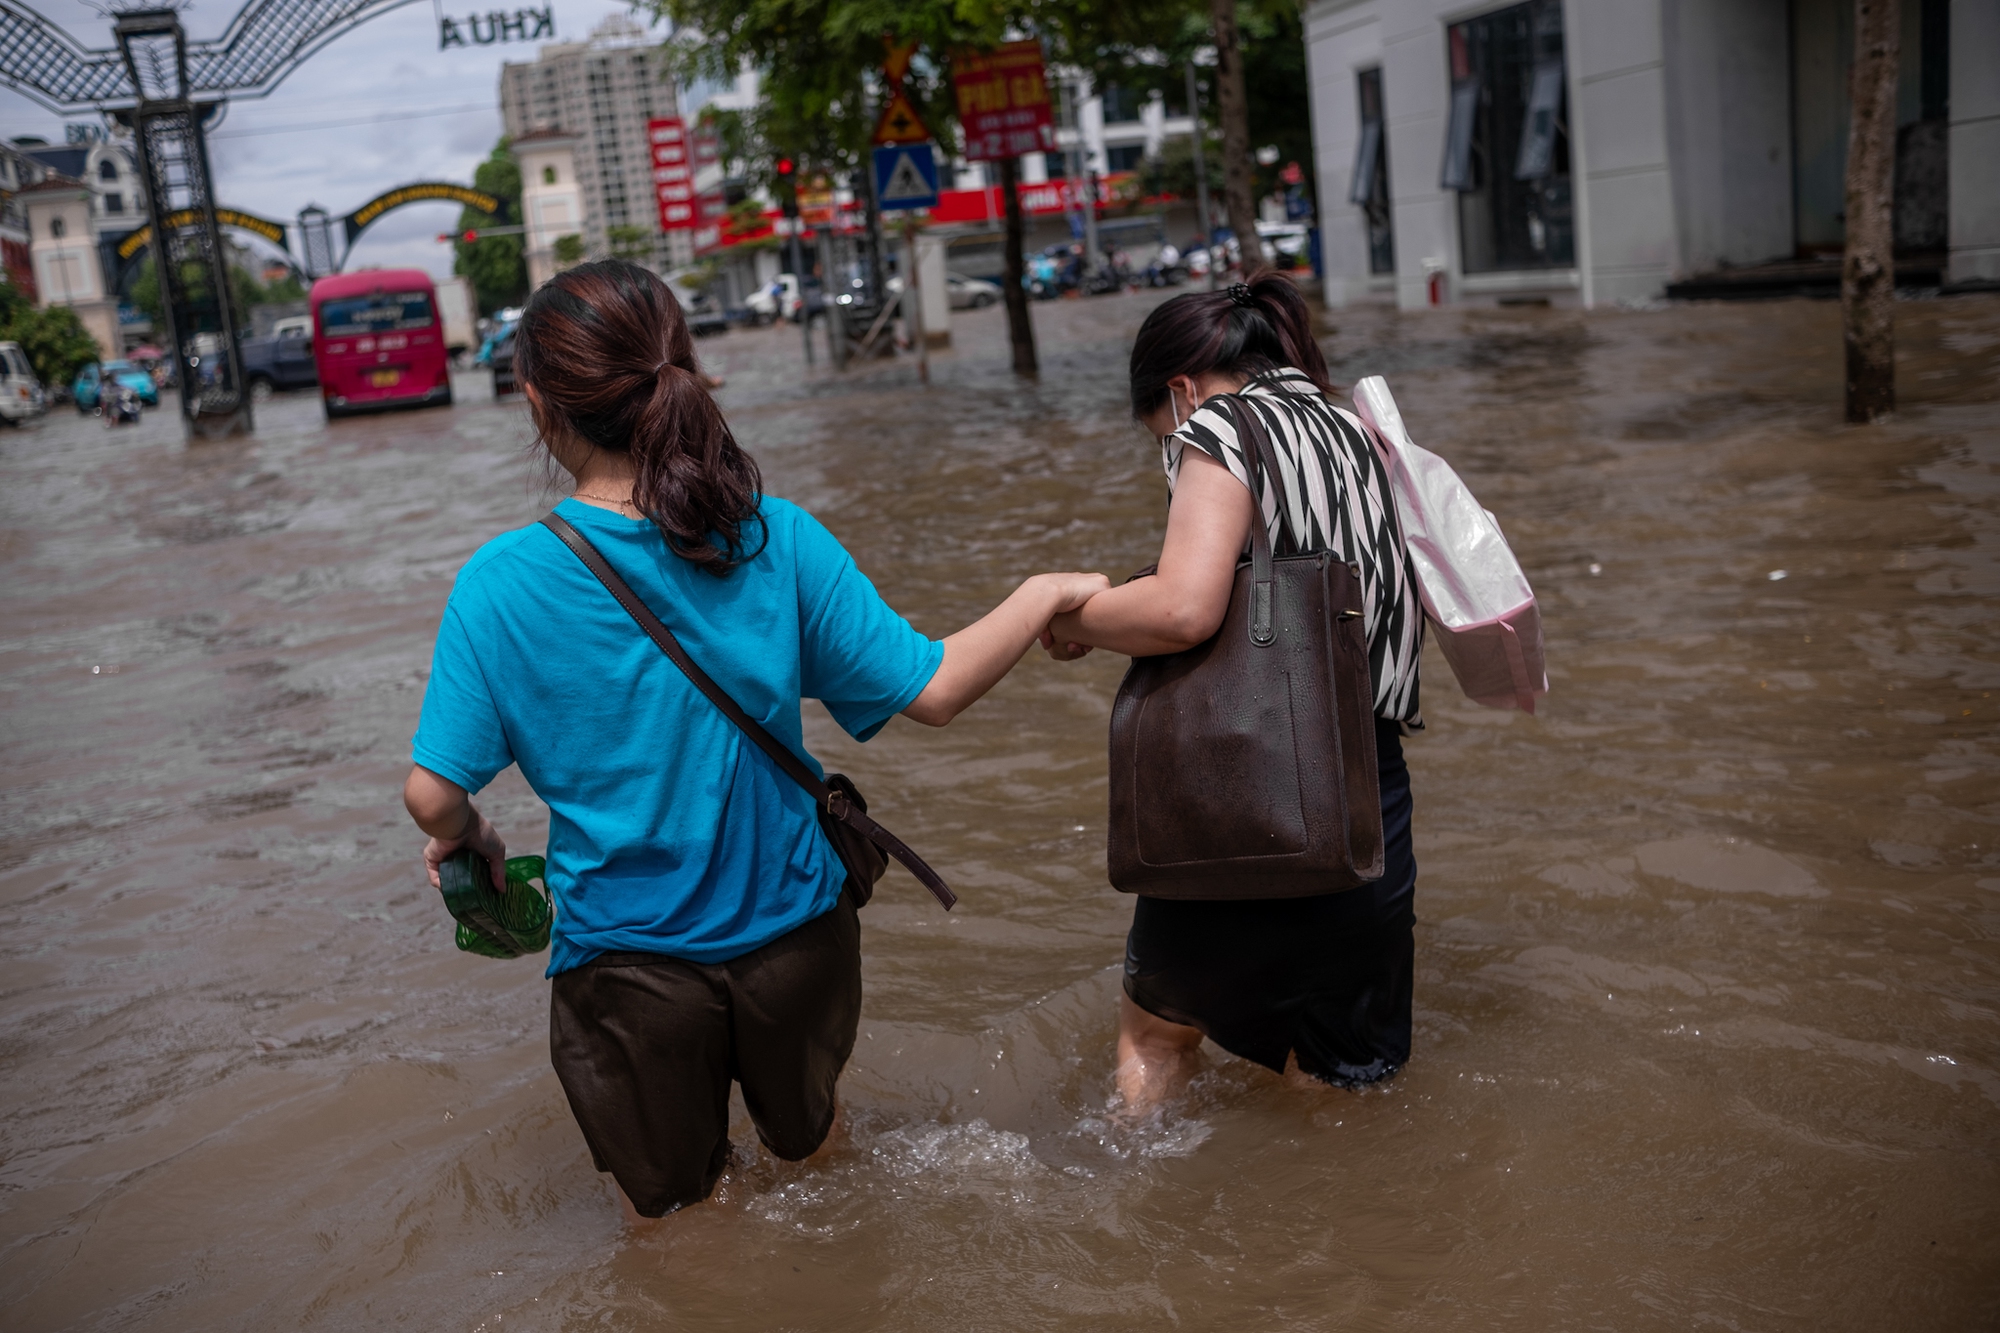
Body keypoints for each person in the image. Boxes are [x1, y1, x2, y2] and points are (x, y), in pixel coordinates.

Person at [402, 259, 1106, 1219]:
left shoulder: (499, 584)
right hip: (798, 948)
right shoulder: (772, 537)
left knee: (680, 1234)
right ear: (682, 370)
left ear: (537, 400)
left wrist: (474, 835)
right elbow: (935, 689)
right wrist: (1042, 593)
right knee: (818, 1172)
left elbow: (432, 796)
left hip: (627, 973)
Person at [1041, 273, 1425, 1111]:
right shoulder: (1355, 429)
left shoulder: (1220, 424)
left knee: (1157, 1033)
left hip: (1256, 789)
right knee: (1341, 1084)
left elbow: (1184, 607)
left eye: (1157, 436)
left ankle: (1142, 1222)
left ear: (1178, 391)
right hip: (1370, 801)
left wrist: (1078, 615)